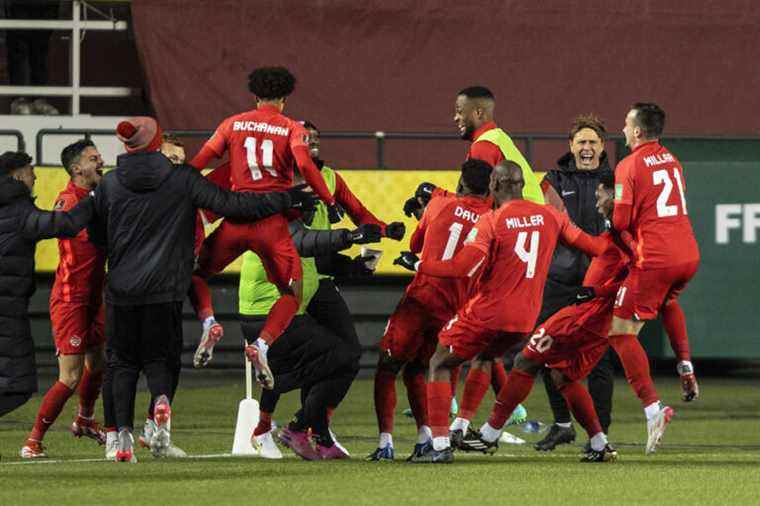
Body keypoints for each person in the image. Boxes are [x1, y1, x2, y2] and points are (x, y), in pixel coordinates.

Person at [91, 116, 317, 463]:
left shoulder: (112, 183)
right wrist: (284, 197)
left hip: (121, 285)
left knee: (120, 363)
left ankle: (120, 437)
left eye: (181, 159)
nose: (176, 163)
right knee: (161, 359)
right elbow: (236, 206)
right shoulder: (182, 181)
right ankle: (159, 410)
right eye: (171, 156)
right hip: (166, 285)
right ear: (155, 147)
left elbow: (95, 232)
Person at [394, 161, 608, 463]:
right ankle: (462, 425)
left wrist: (416, 264)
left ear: (494, 186)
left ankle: (439, 447)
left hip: (488, 311)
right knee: (487, 357)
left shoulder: (492, 221)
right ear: (521, 186)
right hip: (524, 320)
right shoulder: (551, 216)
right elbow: (595, 247)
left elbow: (461, 267)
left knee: (439, 361)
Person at [189, 67, 339, 389]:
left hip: (235, 218)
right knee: (290, 293)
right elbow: (306, 167)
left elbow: (201, 161)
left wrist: (177, 181)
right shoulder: (289, 128)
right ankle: (262, 345)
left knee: (197, 274)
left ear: (254, 96)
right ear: (284, 98)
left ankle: (209, 322)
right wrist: (328, 198)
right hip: (272, 223)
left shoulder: (231, 124)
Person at [459, 172, 624, 462]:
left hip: (585, 314)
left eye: (602, 195)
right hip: (594, 315)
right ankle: (599, 443)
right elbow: (597, 247)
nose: (597, 201)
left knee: (525, 359)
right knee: (562, 374)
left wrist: (598, 290)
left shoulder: (623, 232)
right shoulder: (613, 229)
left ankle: (489, 433)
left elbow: (617, 259)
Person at [368, 159, 492, 462]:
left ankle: (386, 442)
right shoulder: (493, 219)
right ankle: (428, 436)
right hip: (455, 311)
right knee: (424, 370)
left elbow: (415, 244)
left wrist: (424, 215)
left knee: (388, 367)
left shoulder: (438, 205)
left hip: (420, 301)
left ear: (461, 183)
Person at [237, 213, 380, 460]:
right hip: (275, 315)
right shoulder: (280, 227)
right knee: (342, 357)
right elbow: (306, 242)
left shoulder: (277, 223)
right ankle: (299, 426)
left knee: (307, 363)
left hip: (282, 313)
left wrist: (353, 265)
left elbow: (316, 258)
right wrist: (350, 236)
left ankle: (276, 427)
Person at [608, 103, 700, 454]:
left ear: (637, 131)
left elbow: (619, 221)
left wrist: (613, 218)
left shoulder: (628, 165)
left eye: (626, 123)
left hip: (655, 258)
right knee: (669, 301)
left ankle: (653, 409)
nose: (623, 128)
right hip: (687, 254)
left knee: (620, 332)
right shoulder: (672, 161)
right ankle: (686, 366)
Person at [299, 120, 405, 389]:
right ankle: (267, 425)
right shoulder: (278, 178)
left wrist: (385, 230)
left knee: (347, 352)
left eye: (316, 136)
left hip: (320, 272)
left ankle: (308, 424)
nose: (312, 141)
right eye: (305, 136)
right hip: (287, 275)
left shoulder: (331, 177)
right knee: (288, 354)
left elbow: (359, 213)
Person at [534, 114, 617, 451]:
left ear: (602, 147)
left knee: (599, 361)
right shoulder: (551, 181)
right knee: (543, 349)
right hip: (558, 280)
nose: (586, 147)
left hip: (600, 283)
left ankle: (600, 434)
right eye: (581, 142)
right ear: (571, 146)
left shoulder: (617, 181)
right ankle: (562, 423)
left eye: (593, 142)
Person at [20, 140, 107, 459]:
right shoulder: (70, 201)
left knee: (98, 363)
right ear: (76, 169)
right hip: (72, 298)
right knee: (69, 375)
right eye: (94, 158)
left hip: (96, 295)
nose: (102, 162)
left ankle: (84, 420)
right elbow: (90, 236)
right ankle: (33, 440)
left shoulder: (96, 197)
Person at [0, 151, 95, 436]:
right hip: (6, 307)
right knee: (19, 383)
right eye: (31, 172)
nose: (35, 176)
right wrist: (94, 200)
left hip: (9, 302)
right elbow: (62, 225)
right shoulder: (17, 210)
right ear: (17, 176)